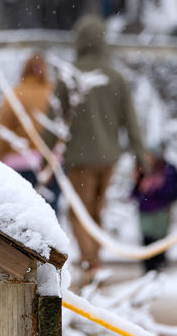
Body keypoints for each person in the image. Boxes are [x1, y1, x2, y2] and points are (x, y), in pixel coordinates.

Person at [43, 14, 145, 284]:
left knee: (78, 212)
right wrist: (140, 155)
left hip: (79, 159)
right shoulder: (116, 77)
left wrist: (45, 152)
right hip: (109, 158)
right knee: (97, 210)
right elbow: (131, 120)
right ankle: (95, 263)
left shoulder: (69, 76)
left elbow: (55, 120)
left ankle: (91, 263)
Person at [0, 52, 60, 212]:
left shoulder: (15, 95)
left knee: (22, 214)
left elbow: (2, 131)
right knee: (50, 214)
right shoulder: (54, 94)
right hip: (50, 163)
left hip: (19, 163)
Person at [130, 145, 177, 273]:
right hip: (145, 215)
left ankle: (158, 273)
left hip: (160, 215)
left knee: (160, 246)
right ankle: (149, 273)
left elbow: (172, 192)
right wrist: (139, 182)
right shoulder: (143, 169)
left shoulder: (168, 171)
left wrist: (154, 188)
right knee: (147, 246)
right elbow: (134, 193)